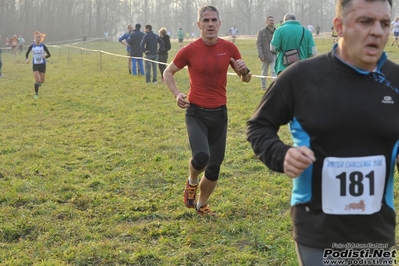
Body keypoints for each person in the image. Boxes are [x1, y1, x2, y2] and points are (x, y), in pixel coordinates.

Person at [247, 0, 398, 265]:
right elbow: (259, 126)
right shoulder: (301, 77)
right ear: (339, 26)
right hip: (317, 227)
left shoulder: (396, 81)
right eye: (365, 22)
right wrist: (281, 154)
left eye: (384, 23)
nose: (377, 31)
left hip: (377, 229)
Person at [164, 5, 252, 216]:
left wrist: (245, 71)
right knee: (202, 156)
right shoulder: (189, 50)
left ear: (219, 24)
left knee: (214, 167)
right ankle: (192, 181)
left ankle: (201, 205)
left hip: (220, 114)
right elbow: (168, 72)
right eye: (206, 20)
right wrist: (177, 94)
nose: (210, 24)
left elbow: (246, 79)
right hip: (196, 112)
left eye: (214, 20)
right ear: (199, 25)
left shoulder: (229, 48)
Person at [25, 31, 51, 98]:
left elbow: (49, 54)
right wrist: (26, 59)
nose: (38, 38)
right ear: (35, 38)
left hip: (42, 64)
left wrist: (45, 56)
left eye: (39, 37)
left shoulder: (43, 46)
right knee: (36, 79)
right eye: (37, 37)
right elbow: (27, 53)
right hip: (35, 64)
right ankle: (36, 94)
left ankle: (39, 83)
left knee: (42, 81)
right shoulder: (32, 46)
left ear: (41, 38)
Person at [256, 16, 276, 90]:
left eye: (272, 20)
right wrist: (260, 55)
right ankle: (263, 87)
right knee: (264, 72)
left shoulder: (277, 31)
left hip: (274, 55)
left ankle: (274, 87)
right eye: (270, 20)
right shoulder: (261, 32)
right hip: (265, 55)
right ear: (266, 22)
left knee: (274, 72)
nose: (271, 21)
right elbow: (258, 44)